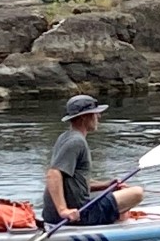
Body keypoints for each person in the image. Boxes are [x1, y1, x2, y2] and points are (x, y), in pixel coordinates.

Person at [42, 94, 145, 226]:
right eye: (95, 114)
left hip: (53, 216)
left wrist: (107, 185)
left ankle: (117, 218)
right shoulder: (76, 141)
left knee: (117, 194)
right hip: (78, 215)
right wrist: (63, 210)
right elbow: (53, 174)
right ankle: (115, 223)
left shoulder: (65, 137)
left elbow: (73, 182)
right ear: (85, 117)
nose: (99, 117)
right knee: (137, 193)